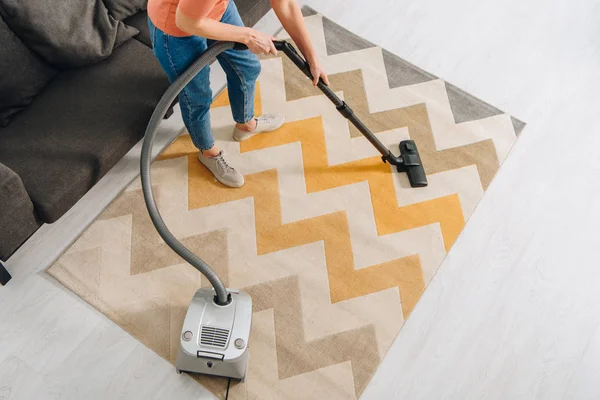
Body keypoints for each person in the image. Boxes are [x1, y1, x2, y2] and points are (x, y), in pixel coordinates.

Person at [147, 0, 329, 187]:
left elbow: (286, 5)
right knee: (197, 96)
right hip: (177, 28)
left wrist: (312, 59)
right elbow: (186, 21)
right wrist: (248, 35)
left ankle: (246, 123)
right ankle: (208, 152)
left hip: (218, 9)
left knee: (247, 68)